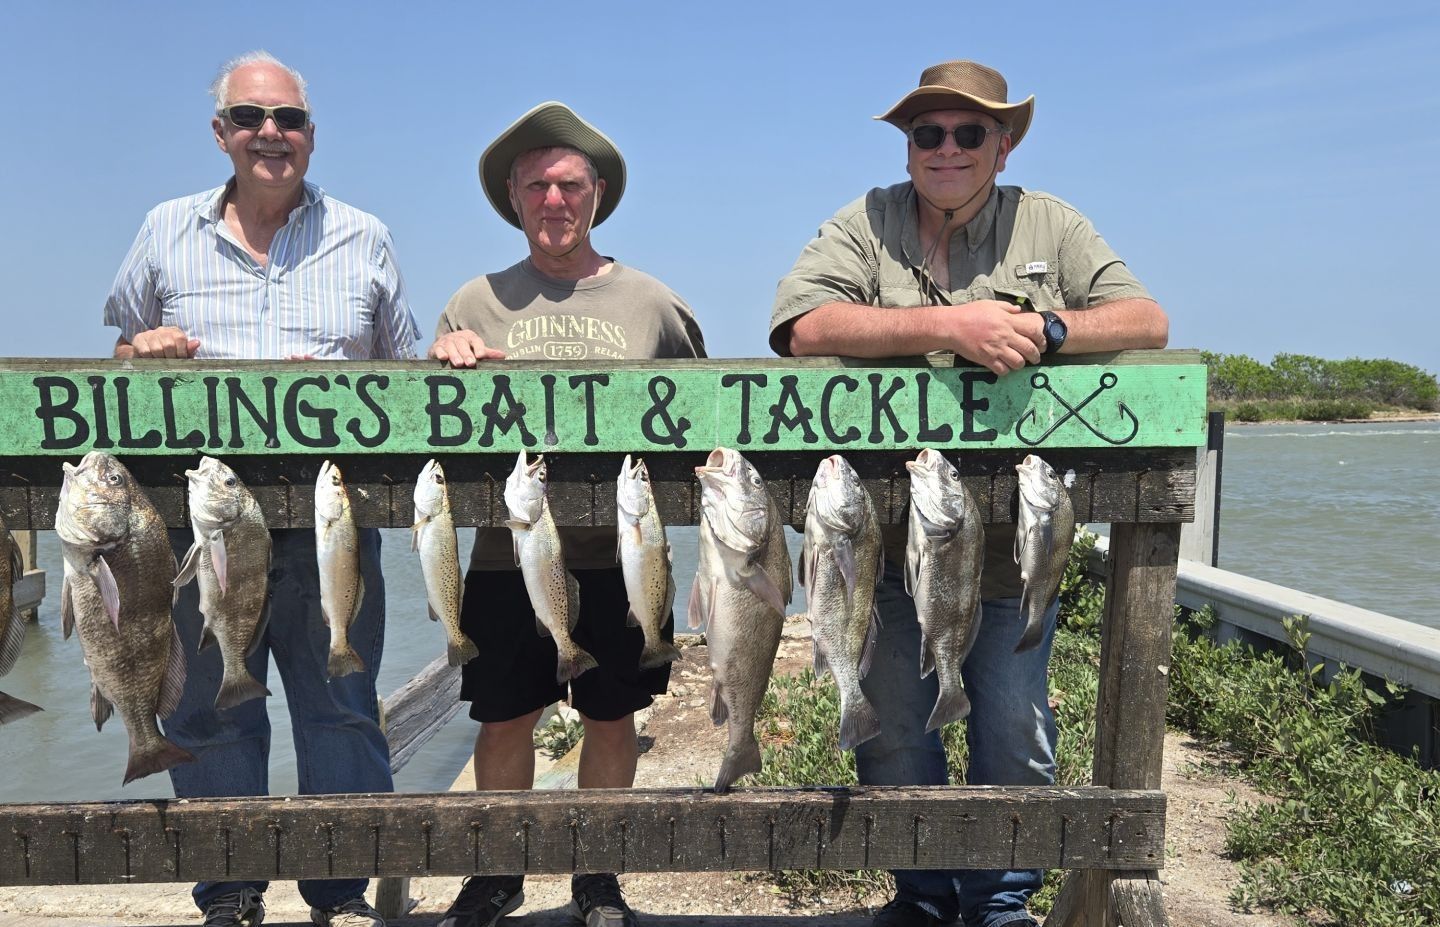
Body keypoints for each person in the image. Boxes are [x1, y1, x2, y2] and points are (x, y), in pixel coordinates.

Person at [770, 60, 1168, 927]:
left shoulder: (1049, 222)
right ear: (907, 145)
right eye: (927, 133)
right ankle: (921, 895)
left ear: (1004, 142)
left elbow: (1145, 319)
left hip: (1003, 555)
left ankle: (1000, 903)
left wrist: (1051, 327)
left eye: (967, 133)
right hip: (876, 547)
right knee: (894, 732)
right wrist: (953, 324)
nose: (945, 149)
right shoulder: (865, 221)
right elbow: (803, 325)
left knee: (1014, 734)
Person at [104, 50, 419, 927]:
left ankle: (341, 892)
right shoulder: (163, 230)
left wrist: (456, 357)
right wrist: (140, 351)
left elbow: (408, 381)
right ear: (222, 134)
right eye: (250, 118)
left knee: (344, 710)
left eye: (287, 120)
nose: (270, 133)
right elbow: (114, 363)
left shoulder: (368, 235)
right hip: (202, 530)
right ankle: (231, 893)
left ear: (312, 136)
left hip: (331, 527)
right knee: (207, 713)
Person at [429, 102, 706, 927]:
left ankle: (598, 873)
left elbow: (701, 412)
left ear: (599, 194)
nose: (554, 200)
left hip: (623, 554)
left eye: (570, 185)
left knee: (612, 713)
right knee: (505, 712)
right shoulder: (473, 300)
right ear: (514, 198)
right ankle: (497, 869)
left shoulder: (653, 302)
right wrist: (447, 359)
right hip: (502, 556)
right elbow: (431, 425)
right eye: (538, 185)